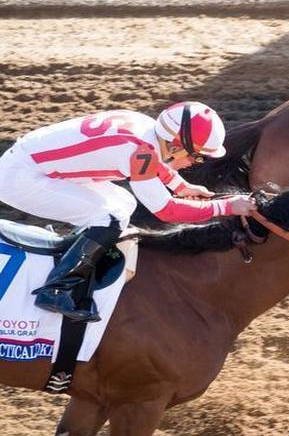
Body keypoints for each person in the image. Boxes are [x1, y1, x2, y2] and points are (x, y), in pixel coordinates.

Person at [0, 102, 255, 322]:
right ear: (177, 144)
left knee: (123, 204)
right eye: (196, 157)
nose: (193, 163)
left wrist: (181, 185)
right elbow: (166, 211)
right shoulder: (140, 152)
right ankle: (57, 290)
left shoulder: (146, 126)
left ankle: (80, 257)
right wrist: (226, 206)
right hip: (21, 178)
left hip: (30, 164)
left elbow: (155, 159)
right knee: (109, 216)